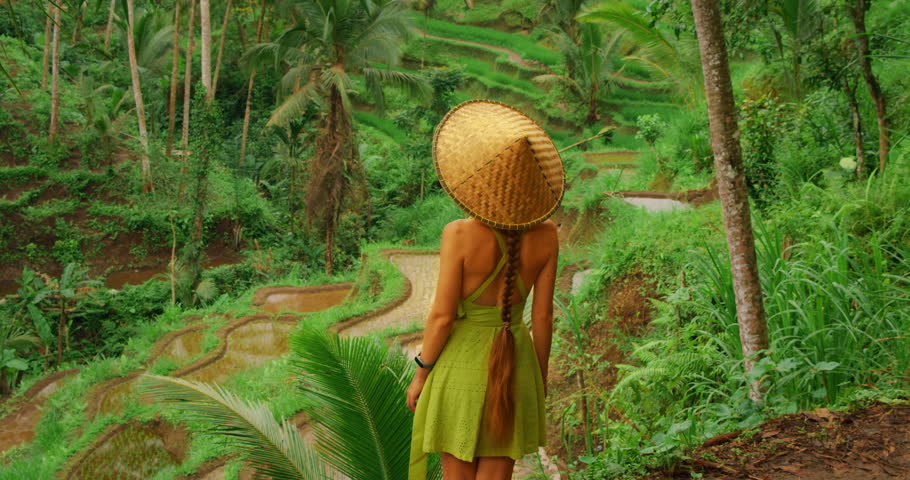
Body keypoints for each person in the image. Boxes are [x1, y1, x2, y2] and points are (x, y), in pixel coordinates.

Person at [407, 100, 564, 480]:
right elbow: (542, 317)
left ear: (478, 178)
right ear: (532, 186)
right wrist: (536, 379)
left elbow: (442, 317)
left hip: (461, 368)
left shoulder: (458, 234)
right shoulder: (547, 236)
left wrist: (422, 373)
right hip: (517, 366)